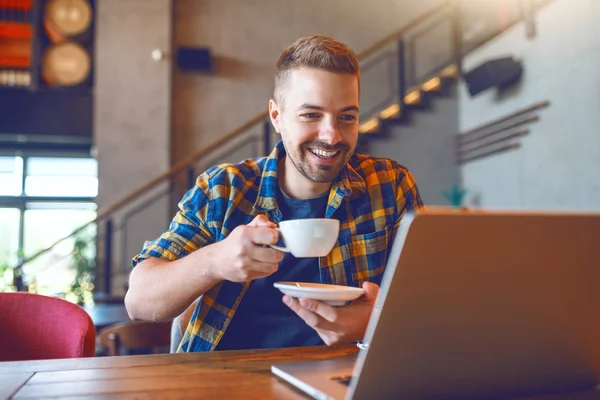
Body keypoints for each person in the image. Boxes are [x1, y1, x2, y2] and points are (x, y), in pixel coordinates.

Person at [125, 35, 424, 353]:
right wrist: (216, 260)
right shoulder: (223, 191)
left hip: (341, 382)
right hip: (224, 382)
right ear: (276, 117)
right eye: (311, 115)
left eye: (346, 117)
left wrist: (372, 325)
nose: (331, 135)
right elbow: (140, 301)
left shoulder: (389, 186)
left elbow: (432, 298)